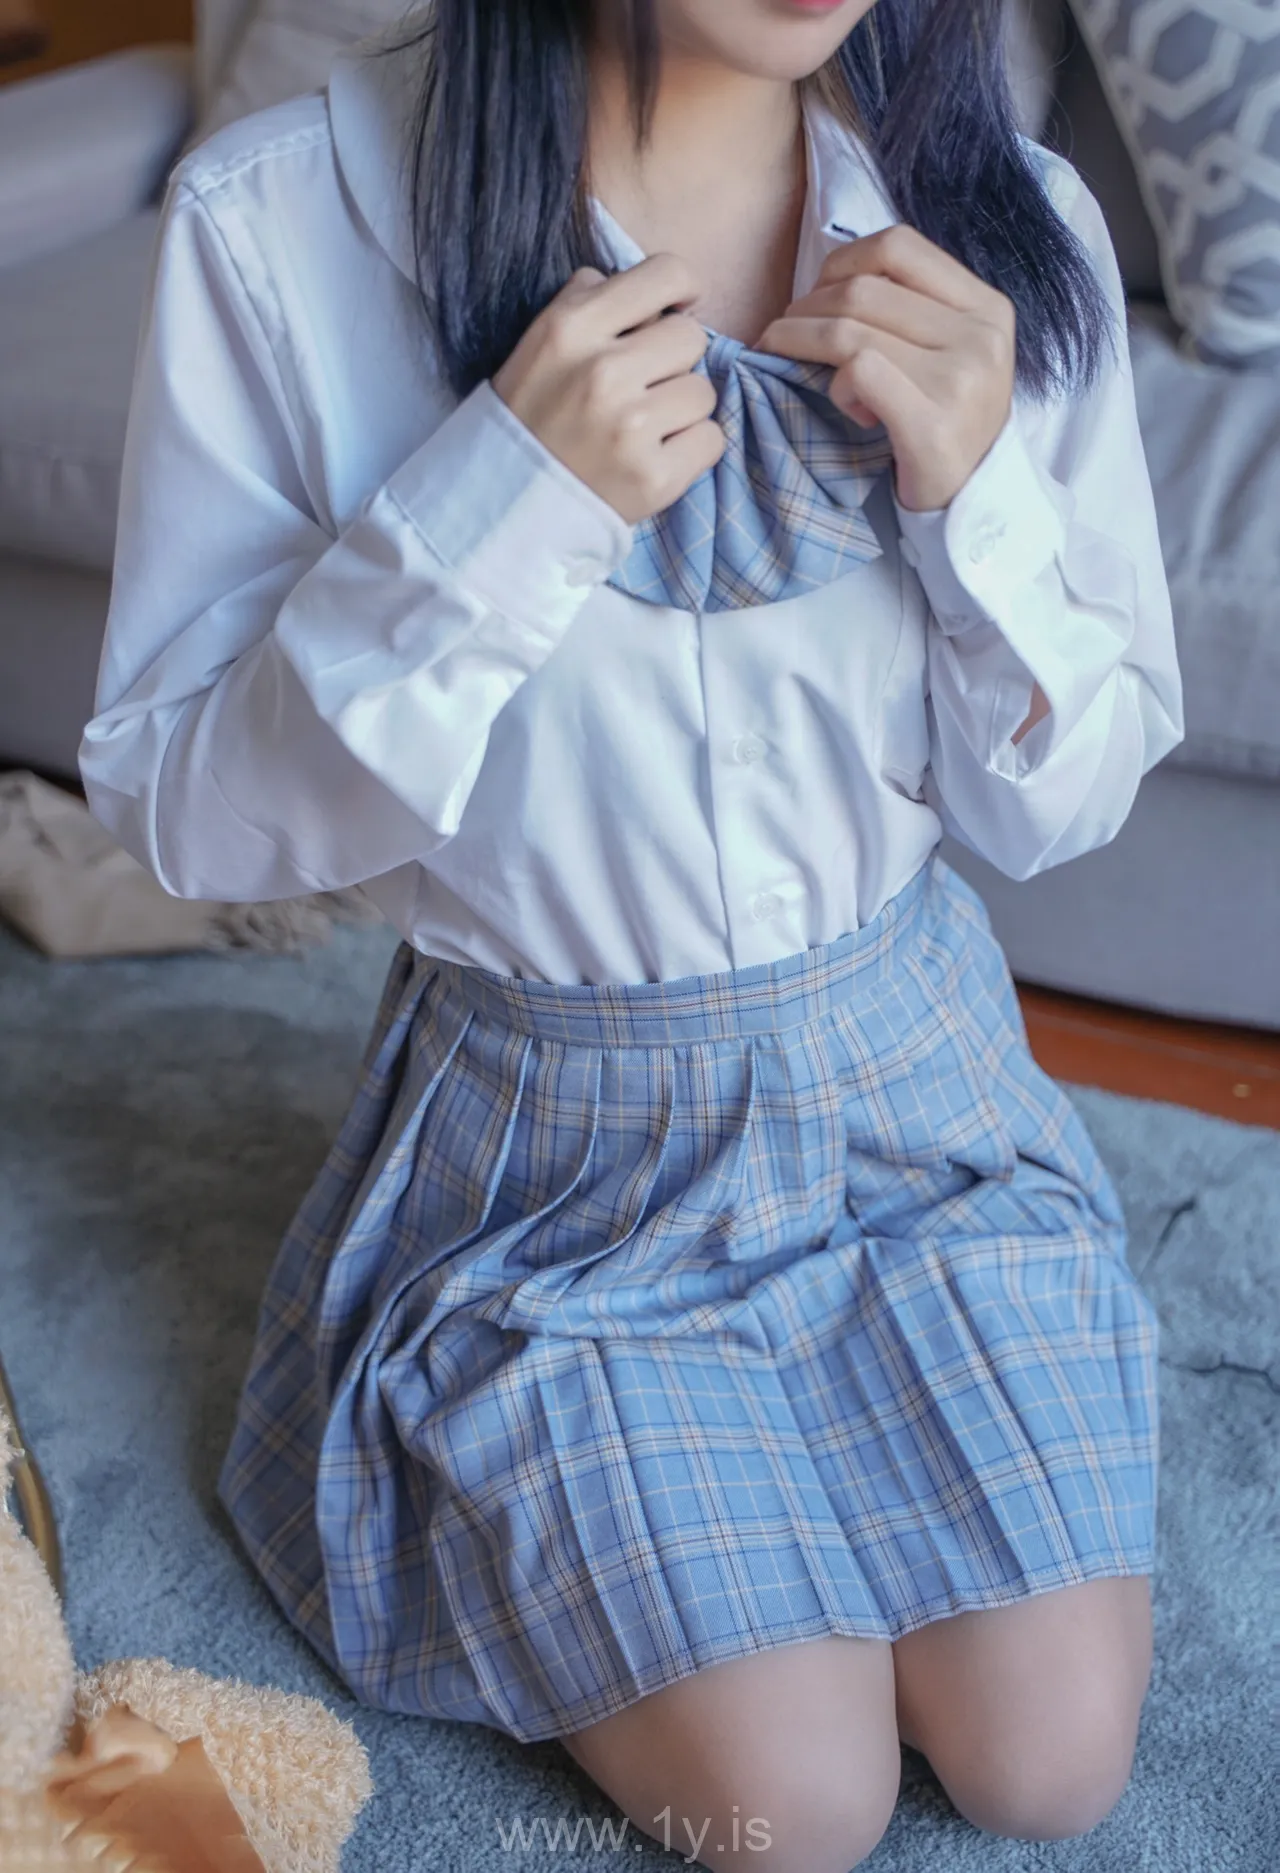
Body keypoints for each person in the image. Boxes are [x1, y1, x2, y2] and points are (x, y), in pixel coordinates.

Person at [78, 0, 1185, 1866]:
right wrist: (498, 506)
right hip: (555, 1179)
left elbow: (1059, 807)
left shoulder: (1009, 223)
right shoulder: (281, 226)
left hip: (918, 1115)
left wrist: (978, 498)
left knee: (1049, 1763)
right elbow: (188, 815)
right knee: (796, 1807)